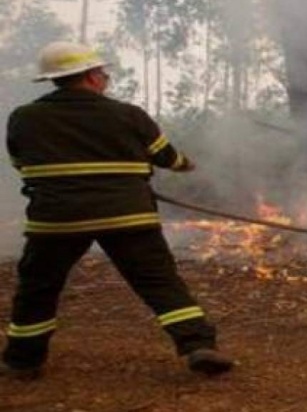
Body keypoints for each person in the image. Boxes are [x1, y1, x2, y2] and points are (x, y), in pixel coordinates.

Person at [0, 41, 233, 380]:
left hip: (57, 219)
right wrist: (187, 165)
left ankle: (23, 360)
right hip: (128, 216)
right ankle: (198, 345)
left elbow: (22, 163)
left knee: (38, 287)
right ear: (92, 77)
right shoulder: (127, 115)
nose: (105, 78)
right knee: (159, 283)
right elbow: (167, 158)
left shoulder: (24, 118)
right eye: (102, 73)